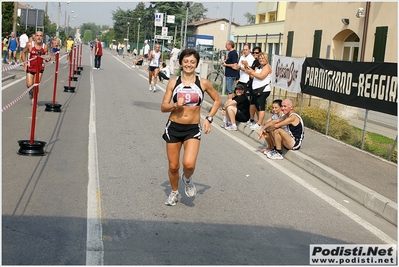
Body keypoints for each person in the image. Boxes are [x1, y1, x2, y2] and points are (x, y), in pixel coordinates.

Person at [161, 48, 221, 206]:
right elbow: (163, 107)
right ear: (181, 62)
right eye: (186, 61)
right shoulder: (174, 82)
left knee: (189, 164)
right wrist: (175, 105)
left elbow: (217, 100)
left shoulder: (203, 83)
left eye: (192, 62)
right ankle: (174, 192)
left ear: (197, 64)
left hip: (192, 129)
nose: (189, 64)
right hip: (173, 127)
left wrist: (209, 118)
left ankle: (187, 179)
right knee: (174, 166)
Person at [243, 52, 272, 131]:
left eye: (263, 58)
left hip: (263, 89)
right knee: (253, 104)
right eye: (260, 58)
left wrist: (252, 72)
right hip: (255, 89)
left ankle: (259, 124)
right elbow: (253, 76)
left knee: (260, 107)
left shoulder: (267, 67)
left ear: (266, 59)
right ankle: (252, 120)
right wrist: (247, 69)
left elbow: (261, 76)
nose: (261, 60)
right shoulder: (258, 67)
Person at [20, 31, 50, 102]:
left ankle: (34, 99)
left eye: (40, 36)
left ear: (42, 37)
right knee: (29, 85)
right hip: (30, 67)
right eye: (37, 35)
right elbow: (23, 53)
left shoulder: (45, 47)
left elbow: (46, 56)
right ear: (35, 37)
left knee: (36, 84)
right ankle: (31, 92)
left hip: (40, 68)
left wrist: (47, 58)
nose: (39, 37)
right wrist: (25, 63)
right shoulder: (30, 45)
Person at [245, 46, 262, 127]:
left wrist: (250, 72)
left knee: (258, 104)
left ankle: (259, 122)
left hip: (258, 85)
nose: (255, 54)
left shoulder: (259, 63)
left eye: (257, 53)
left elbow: (254, 74)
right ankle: (251, 119)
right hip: (252, 84)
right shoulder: (255, 61)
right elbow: (249, 71)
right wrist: (246, 66)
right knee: (252, 102)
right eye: (253, 53)